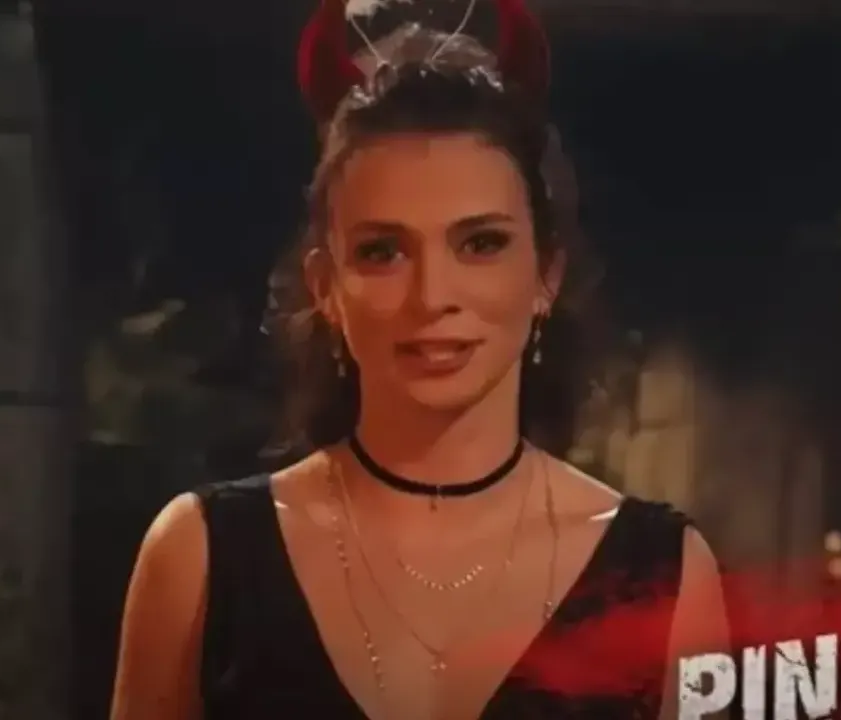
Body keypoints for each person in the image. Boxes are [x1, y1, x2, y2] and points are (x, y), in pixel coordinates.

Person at [110, 1, 730, 718]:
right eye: (383, 251)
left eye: (481, 244)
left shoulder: (666, 577)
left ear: (546, 275)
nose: (433, 296)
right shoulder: (200, 557)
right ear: (326, 286)